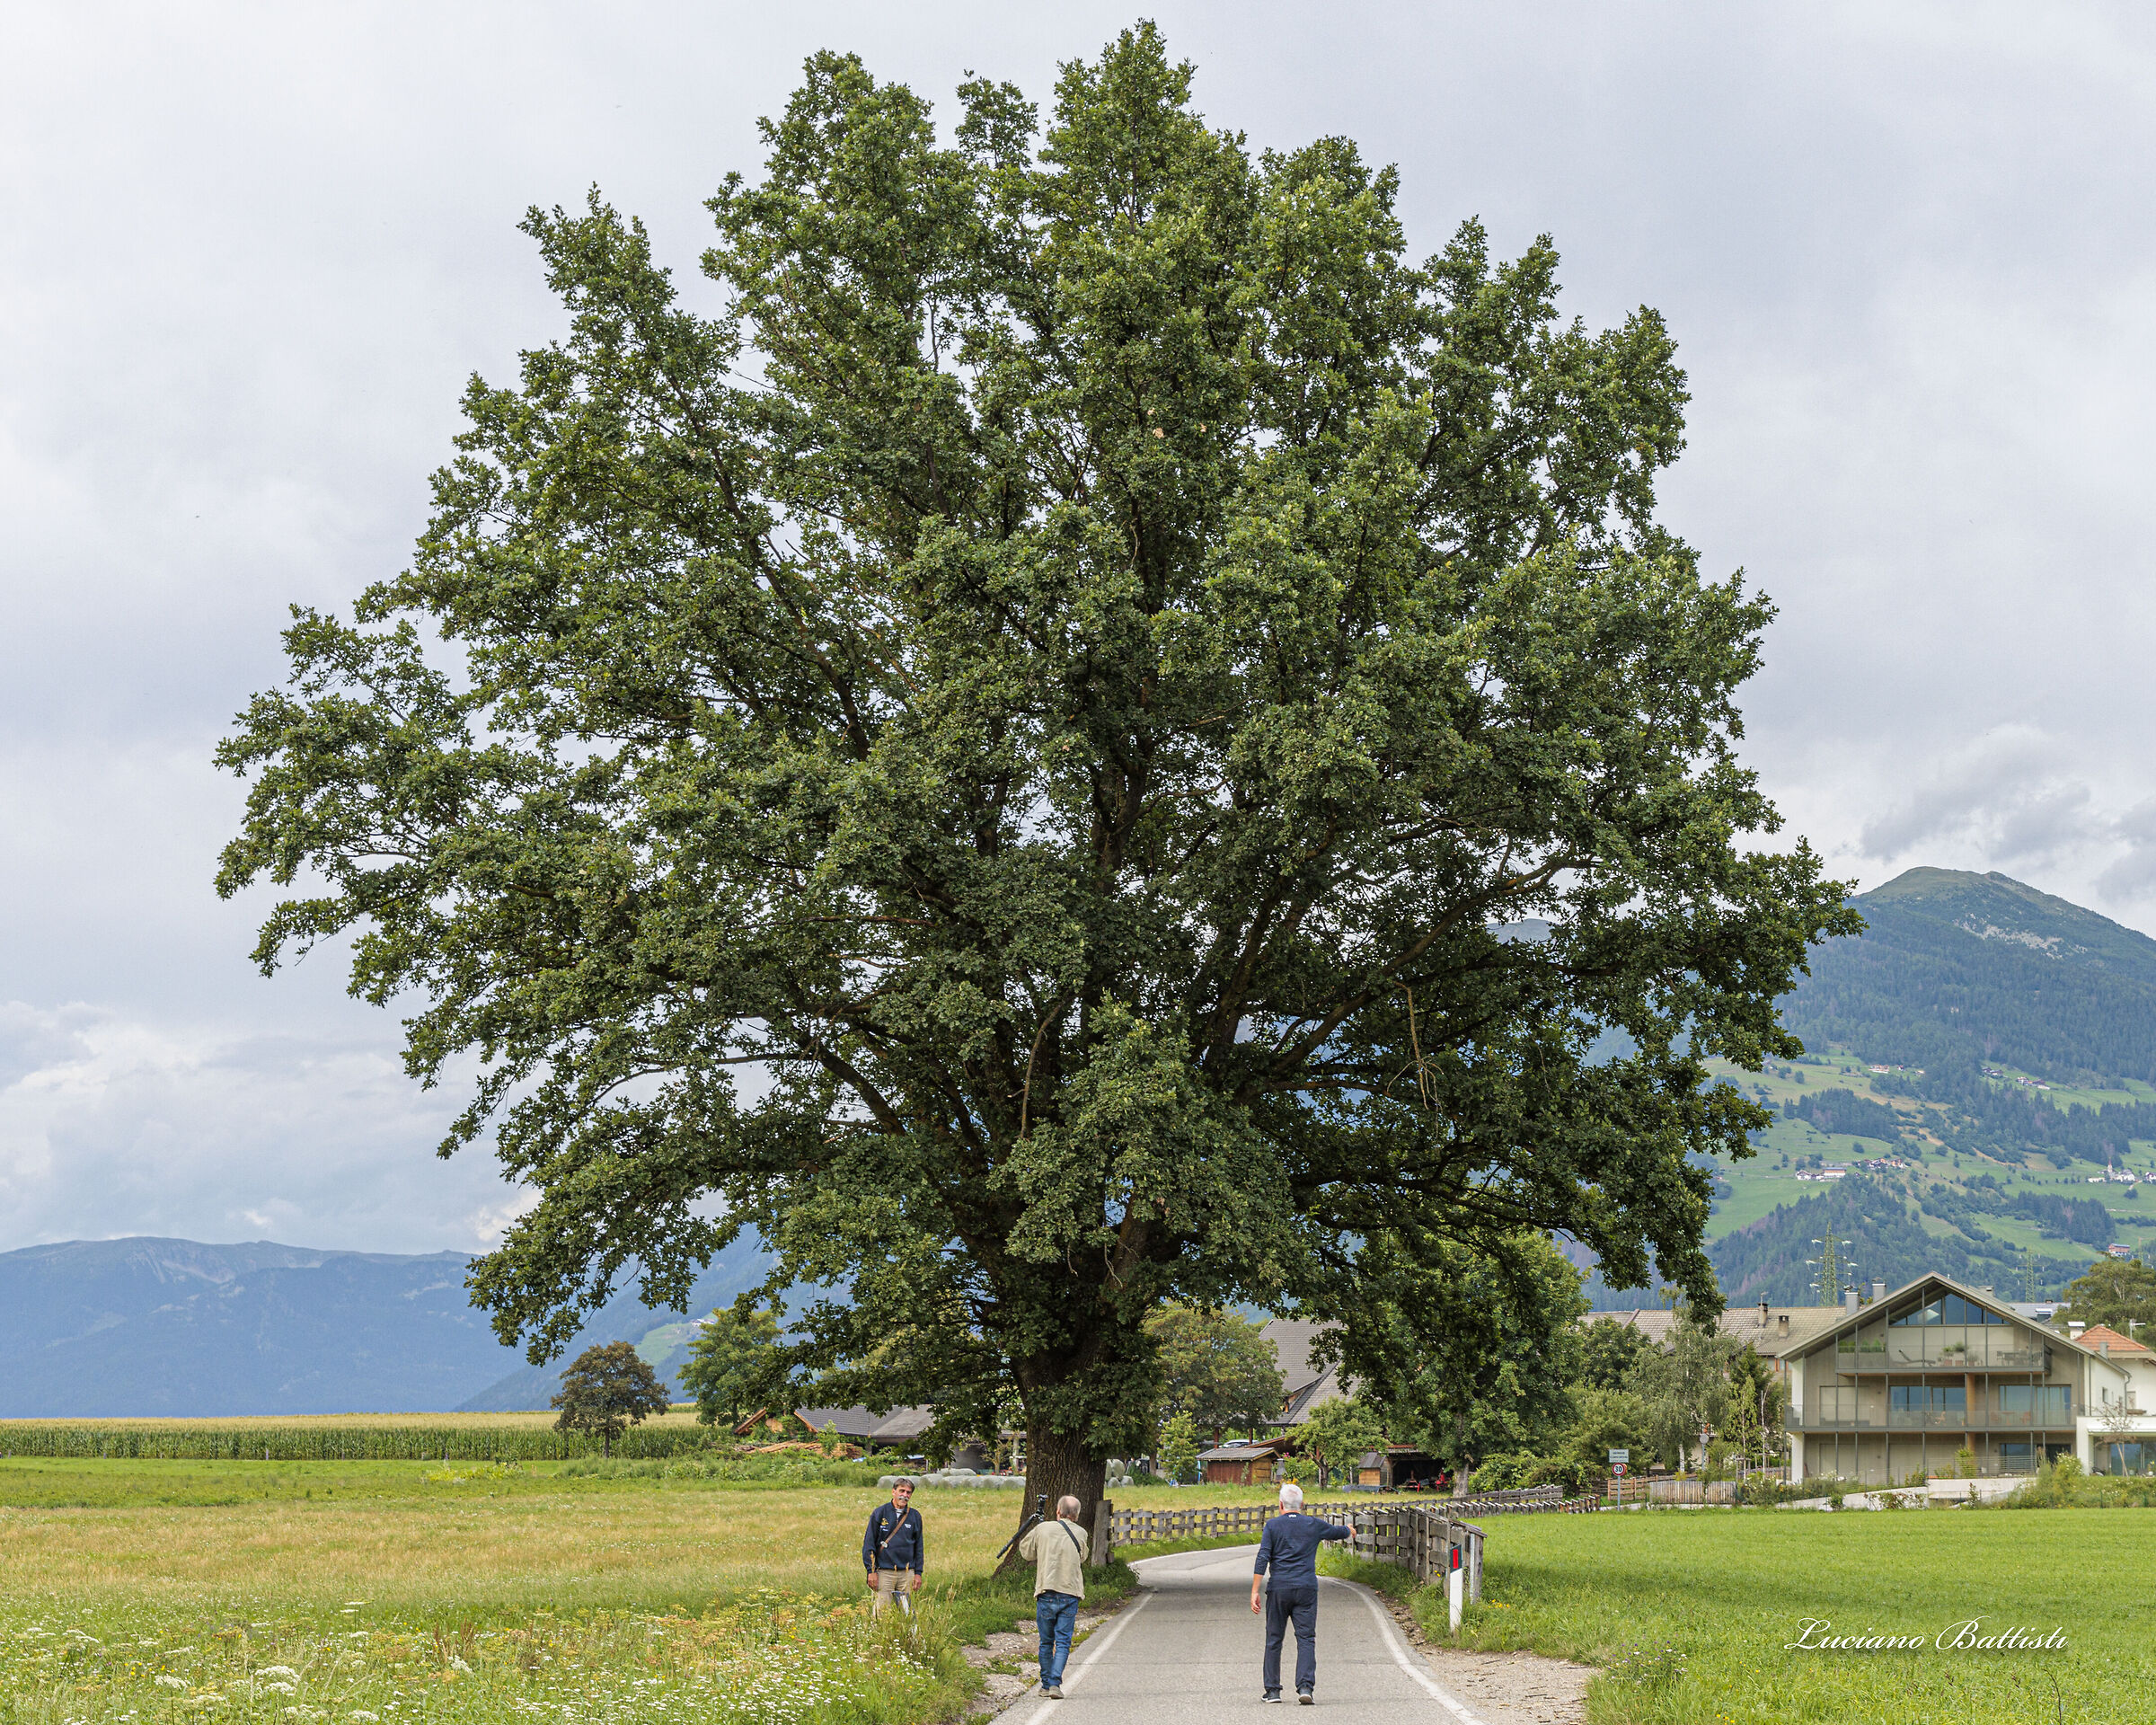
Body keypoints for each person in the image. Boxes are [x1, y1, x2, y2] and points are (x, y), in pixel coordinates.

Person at [1249, 1482, 1350, 1703]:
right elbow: (1337, 1532)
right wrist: (1349, 1530)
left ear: (1280, 1505)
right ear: (1302, 1505)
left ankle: (1273, 1691)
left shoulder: (1272, 1526)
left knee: (1274, 1638)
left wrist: (1255, 1590)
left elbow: (1263, 1557)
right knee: (1306, 1638)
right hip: (1306, 1588)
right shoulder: (1313, 1524)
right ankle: (1305, 1687)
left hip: (1279, 1588)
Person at [1017, 1493, 1090, 1698]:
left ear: (1058, 1511)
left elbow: (1026, 1552)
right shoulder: (1081, 1533)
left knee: (1046, 1642)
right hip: (1070, 1592)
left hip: (1046, 1591)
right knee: (1063, 1641)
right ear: (1076, 1514)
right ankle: (1055, 1683)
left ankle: (1046, 1684)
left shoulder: (1043, 1529)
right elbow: (1083, 1557)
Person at [862, 1477, 924, 1615]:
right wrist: (871, 1571)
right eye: (901, 1491)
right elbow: (869, 1544)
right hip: (884, 1573)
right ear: (893, 1492)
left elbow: (919, 1547)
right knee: (882, 1613)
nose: (905, 1495)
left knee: (907, 1614)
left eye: (908, 1492)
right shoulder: (880, 1513)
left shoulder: (915, 1516)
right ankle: (879, 1631)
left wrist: (918, 1573)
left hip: (907, 1574)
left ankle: (906, 1631)